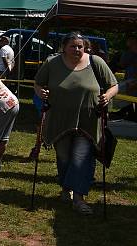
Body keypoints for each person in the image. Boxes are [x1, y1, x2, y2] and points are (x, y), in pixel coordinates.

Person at [34, 32, 118, 215]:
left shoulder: (96, 62)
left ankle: (78, 199)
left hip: (88, 120)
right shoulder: (52, 63)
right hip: (59, 120)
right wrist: (41, 92)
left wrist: (107, 96)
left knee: (81, 158)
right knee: (64, 157)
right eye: (73, 46)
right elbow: (38, 83)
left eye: (80, 46)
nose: (77, 49)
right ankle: (66, 189)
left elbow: (114, 85)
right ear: (64, 47)